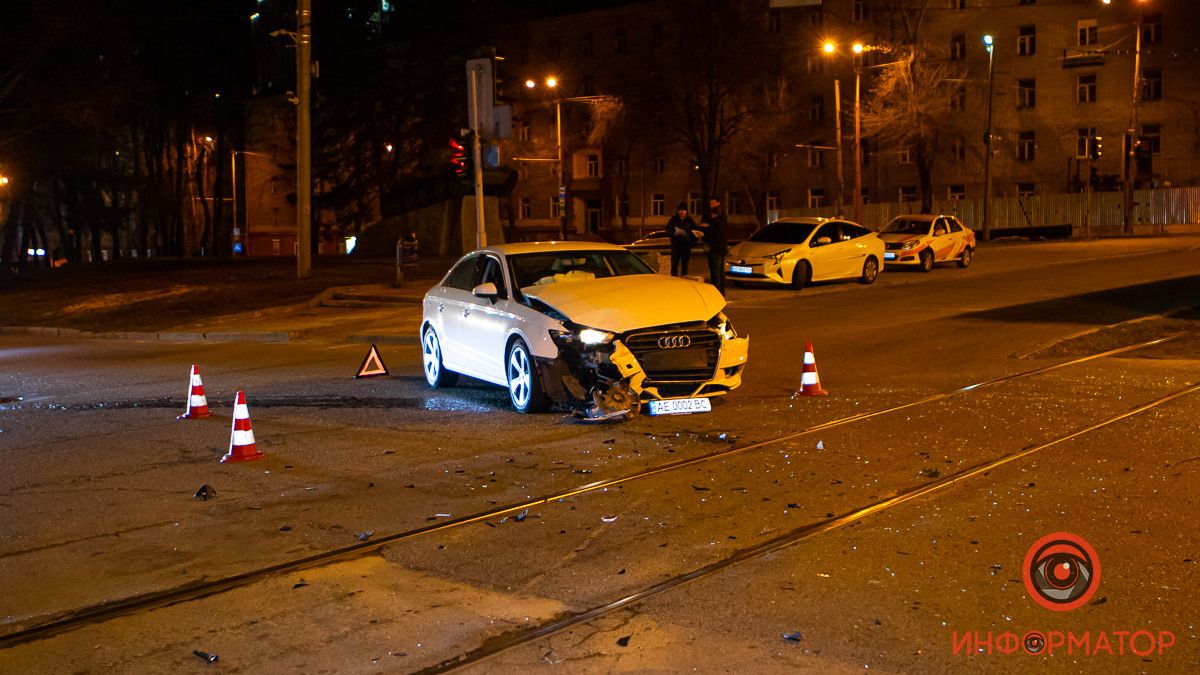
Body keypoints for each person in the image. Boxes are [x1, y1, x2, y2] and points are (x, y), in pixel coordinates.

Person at [698, 196, 728, 294]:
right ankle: (722, 292)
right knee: (720, 272)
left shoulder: (716, 221)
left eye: (713, 204)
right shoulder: (722, 219)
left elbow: (712, 235)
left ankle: (717, 292)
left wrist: (704, 234)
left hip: (715, 248)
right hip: (722, 248)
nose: (711, 206)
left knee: (716, 273)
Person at [666, 202, 697, 276]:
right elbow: (668, 230)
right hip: (676, 246)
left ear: (686, 211)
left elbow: (695, 233)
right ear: (678, 211)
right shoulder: (673, 220)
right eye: (681, 210)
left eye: (684, 210)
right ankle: (674, 281)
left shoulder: (690, 220)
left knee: (685, 266)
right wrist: (674, 234)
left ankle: (684, 281)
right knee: (674, 266)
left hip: (686, 247)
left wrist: (691, 244)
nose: (682, 212)